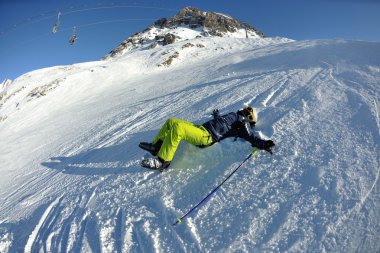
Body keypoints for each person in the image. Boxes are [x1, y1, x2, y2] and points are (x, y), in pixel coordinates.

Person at [139, 107, 275, 171]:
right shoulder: (233, 115)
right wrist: (217, 115)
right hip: (201, 129)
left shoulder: (241, 124)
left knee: (178, 128)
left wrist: (263, 143)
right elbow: (220, 122)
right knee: (172, 122)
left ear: (249, 117)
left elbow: (250, 136)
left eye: (247, 112)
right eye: (246, 109)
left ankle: (163, 161)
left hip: (207, 137)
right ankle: (157, 146)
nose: (244, 110)